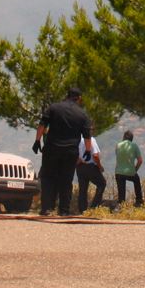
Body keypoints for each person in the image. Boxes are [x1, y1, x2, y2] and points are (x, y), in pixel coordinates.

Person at [34, 87, 93, 217]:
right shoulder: (82, 114)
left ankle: (46, 209)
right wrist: (88, 150)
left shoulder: (54, 108)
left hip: (52, 149)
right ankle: (64, 210)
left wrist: (37, 141)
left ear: (67, 96)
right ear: (79, 98)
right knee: (66, 180)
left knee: (48, 178)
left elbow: (42, 125)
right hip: (70, 152)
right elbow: (87, 135)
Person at [113, 129, 143, 209]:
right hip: (130, 172)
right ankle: (139, 201)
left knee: (121, 193)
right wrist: (135, 170)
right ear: (131, 138)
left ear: (124, 137)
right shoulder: (134, 145)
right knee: (136, 180)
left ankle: (120, 206)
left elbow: (118, 157)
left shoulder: (118, 145)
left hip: (119, 172)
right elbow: (140, 161)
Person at [76, 134, 107, 212]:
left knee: (83, 189)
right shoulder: (91, 140)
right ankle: (94, 207)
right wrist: (100, 166)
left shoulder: (78, 140)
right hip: (90, 167)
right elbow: (95, 156)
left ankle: (82, 210)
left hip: (80, 167)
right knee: (102, 183)